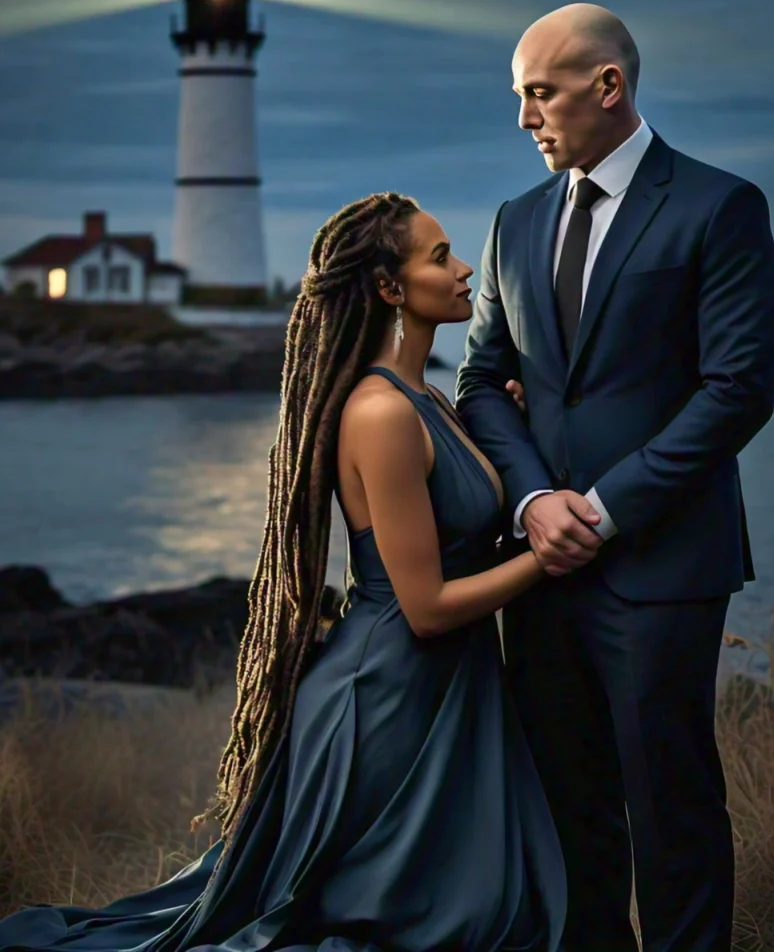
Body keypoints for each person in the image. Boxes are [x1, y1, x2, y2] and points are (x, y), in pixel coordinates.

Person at [0, 193, 571, 952]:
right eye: (439, 256)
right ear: (389, 287)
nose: (465, 268)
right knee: (419, 927)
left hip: (444, 689)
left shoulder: (428, 398)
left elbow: (464, 537)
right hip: (391, 698)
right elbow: (427, 606)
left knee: (483, 916)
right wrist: (548, 556)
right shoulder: (381, 413)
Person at [456, 3, 774, 952]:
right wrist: (533, 501)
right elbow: (481, 380)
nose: (525, 117)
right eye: (519, 96)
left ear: (609, 87)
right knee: (570, 811)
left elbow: (736, 391)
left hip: (663, 566)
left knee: (671, 809)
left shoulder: (720, 206)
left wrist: (600, 509)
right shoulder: (515, 222)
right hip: (539, 571)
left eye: (539, 93)